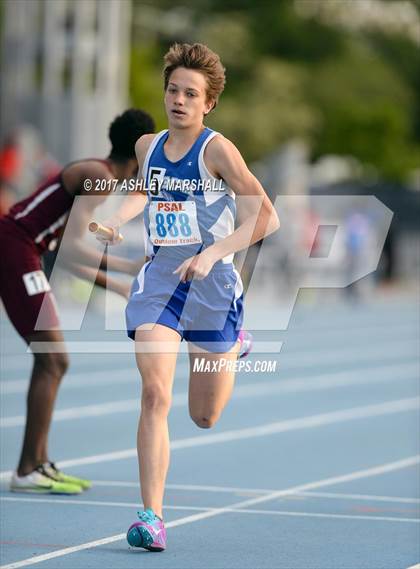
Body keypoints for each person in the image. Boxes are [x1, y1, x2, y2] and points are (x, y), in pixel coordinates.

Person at [99, 43, 279, 552]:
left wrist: (212, 253)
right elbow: (143, 188)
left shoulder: (218, 151)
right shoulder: (147, 145)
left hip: (213, 286)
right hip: (161, 282)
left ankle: (234, 341)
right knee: (155, 394)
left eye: (190, 94)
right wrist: (114, 219)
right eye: (173, 90)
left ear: (208, 104)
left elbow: (267, 217)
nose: (178, 100)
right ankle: (151, 517)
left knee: (204, 416)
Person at [0, 109, 155, 494]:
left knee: (52, 360)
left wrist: (119, 280)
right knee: (53, 358)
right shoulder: (99, 178)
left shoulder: (101, 175)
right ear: (139, 152)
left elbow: (67, 253)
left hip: (25, 251)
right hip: (14, 247)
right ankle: (27, 469)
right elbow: (70, 249)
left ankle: (35, 463)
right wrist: (122, 271)